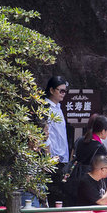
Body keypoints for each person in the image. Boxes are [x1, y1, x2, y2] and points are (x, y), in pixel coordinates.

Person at [45, 76, 70, 204]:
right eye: (61, 91)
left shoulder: (58, 107)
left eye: (65, 91)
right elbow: (45, 134)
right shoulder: (46, 108)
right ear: (51, 90)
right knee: (52, 194)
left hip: (61, 158)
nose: (63, 94)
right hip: (53, 159)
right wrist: (49, 157)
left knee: (59, 194)